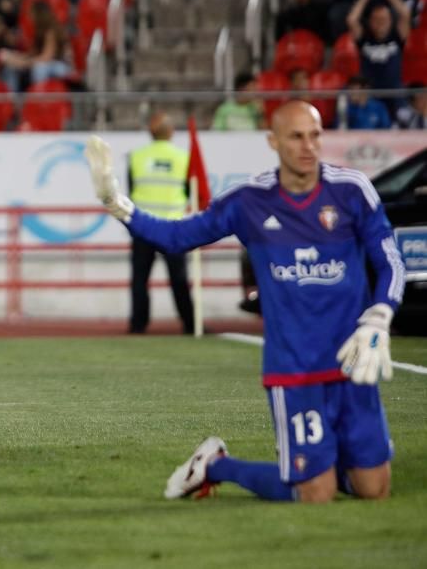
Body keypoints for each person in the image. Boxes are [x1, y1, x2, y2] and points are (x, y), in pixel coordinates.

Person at [85, 100, 404, 503]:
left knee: (374, 489)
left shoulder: (352, 190)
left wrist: (380, 316)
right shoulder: (249, 201)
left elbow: (390, 260)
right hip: (295, 369)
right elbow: (177, 237)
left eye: (316, 135)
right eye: (297, 136)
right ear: (273, 141)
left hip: (352, 362)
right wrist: (119, 205)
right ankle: (216, 466)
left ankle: (322, 464)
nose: (309, 146)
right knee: (315, 496)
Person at [120, 112, 195, 335]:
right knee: (179, 280)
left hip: (143, 227)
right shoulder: (184, 157)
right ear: (171, 131)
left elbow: (131, 191)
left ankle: (137, 326)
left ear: (150, 132)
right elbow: (189, 191)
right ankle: (190, 324)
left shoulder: (136, 157)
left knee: (139, 280)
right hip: (173, 227)